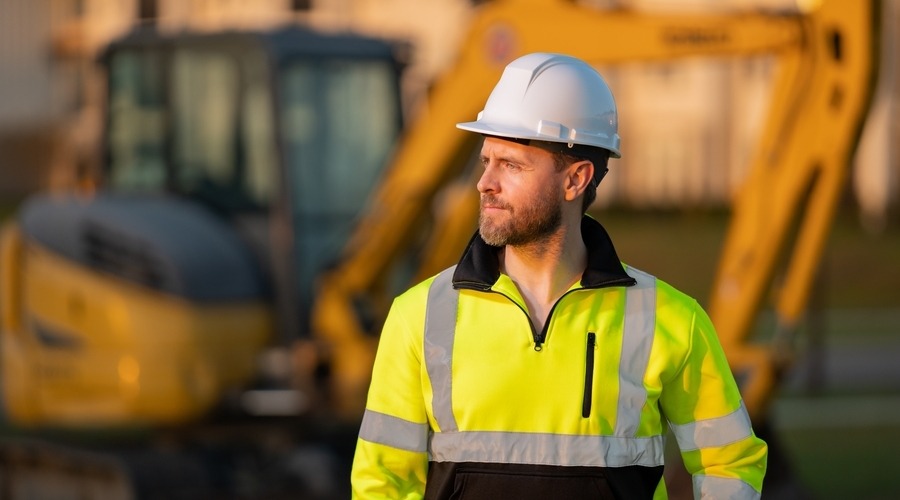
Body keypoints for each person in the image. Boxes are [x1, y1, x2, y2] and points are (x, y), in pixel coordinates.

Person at [350, 52, 767, 499]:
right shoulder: (419, 315)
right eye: (486, 160)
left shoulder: (671, 320)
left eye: (510, 165)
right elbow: (383, 482)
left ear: (576, 180)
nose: (484, 182)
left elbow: (730, 463)